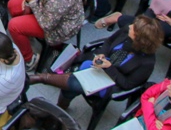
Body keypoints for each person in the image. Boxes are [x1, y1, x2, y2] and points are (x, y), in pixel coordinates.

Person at [27, 14, 163, 110]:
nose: (130, 26)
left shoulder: (147, 63)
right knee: (73, 85)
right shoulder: (126, 31)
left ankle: (42, 79)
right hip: (101, 66)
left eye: (134, 29)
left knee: (74, 84)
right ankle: (58, 106)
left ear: (139, 38)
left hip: (113, 83)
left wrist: (109, 68)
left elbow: (127, 84)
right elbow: (108, 42)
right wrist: (102, 55)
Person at [6, 0, 85, 67]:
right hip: (47, 8)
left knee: (14, 26)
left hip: (58, 28)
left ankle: (29, 60)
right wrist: (30, 1)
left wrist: (32, 2)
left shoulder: (58, 1)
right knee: (13, 4)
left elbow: (47, 25)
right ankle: (25, 34)